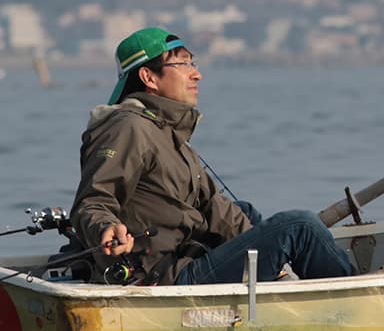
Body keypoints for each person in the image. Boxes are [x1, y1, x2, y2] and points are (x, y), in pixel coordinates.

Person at [70, 28, 354, 285]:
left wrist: (269, 249)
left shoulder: (165, 130)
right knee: (300, 227)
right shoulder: (129, 128)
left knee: (245, 212)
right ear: (149, 77)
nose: (196, 74)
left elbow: (214, 207)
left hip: (185, 256)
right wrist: (105, 228)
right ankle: (355, 298)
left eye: (192, 63)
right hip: (165, 277)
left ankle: (291, 280)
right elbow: (93, 201)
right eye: (182, 64)